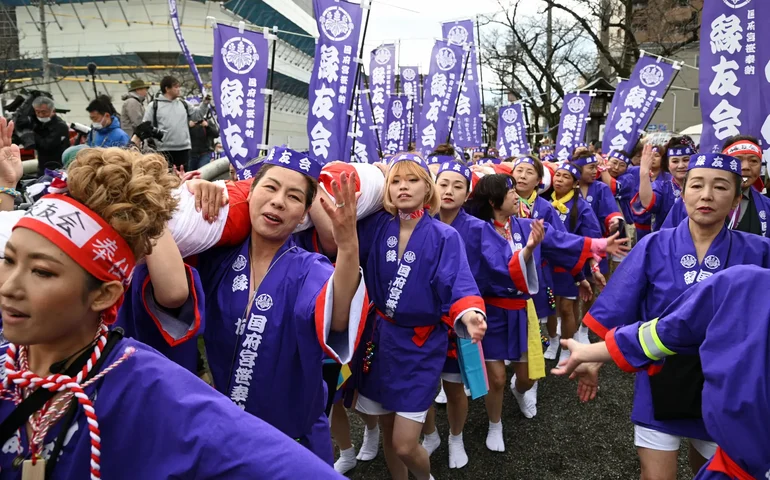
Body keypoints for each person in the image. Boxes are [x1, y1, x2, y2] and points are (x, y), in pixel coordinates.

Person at [0, 127, 346, 478]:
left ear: (106, 293)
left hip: (286, 425)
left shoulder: (148, 388)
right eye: (8, 261)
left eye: (42, 272)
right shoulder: (220, 257)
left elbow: (174, 292)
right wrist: (7, 190)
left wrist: (348, 247)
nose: (10, 287)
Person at [163, 146, 367, 465]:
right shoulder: (218, 258)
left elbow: (339, 316)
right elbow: (170, 286)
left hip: (292, 442)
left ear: (303, 215)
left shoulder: (309, 268)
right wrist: (191, 192)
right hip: (225, 432)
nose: (278, 201)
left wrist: (348, 245)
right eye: (270, 187)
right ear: (250, 192)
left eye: (294, 197)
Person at [582, 152, 770, 480]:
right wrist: (593, 360)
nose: (707, 195)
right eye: (696, 185)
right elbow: (618, 304)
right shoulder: (654, 245)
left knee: (712, 472)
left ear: (738, 197)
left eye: (721, 187)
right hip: (659, 373)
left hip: (724, 382)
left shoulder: (758, 251)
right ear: (682, 191)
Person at [553, 265, 770, 480]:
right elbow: (667, 330)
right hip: (663, 381)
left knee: (703, 448)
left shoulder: (756, 253)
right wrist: (593, 353)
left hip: (720, 415)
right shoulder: (746, 283)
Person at [661, 136, 770, 237]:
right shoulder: (691, 200)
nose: (746, 167)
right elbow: (666, 243)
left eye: (754, 161)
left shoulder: (766, 206)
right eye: (738, 160)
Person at [143, 76, 211, 169]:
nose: (179, 89)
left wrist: (205, 103)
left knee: (182, 178)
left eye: (179, 86)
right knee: (166, 178)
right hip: (163, 150)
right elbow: (146, 125)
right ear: (167, 89)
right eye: (175, 87)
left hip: (184, 149)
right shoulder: (154, 105)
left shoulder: (184, 103)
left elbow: (197, 115)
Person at [633, 140, 692, 232]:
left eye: (686, 160)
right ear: (668, 165)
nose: (681, 165)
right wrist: (644, 171)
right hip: (667, 242)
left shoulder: (703, 187)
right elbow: (647, 202)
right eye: (675, 161)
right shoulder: (662, 186)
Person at [30, 97, 70, 177]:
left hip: (57, 169)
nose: (41, 115)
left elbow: (46, 145)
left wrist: (31, 134)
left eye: (44, 112)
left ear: (53, 111)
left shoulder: (60, 126)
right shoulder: (38, 124)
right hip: (42, 168)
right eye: (37, 112)